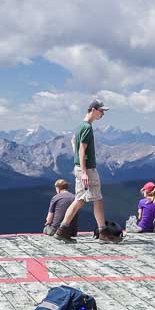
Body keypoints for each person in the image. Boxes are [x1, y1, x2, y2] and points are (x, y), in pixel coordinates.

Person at [54, 99, 110, 243]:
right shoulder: (87, 127)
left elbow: (74, 141)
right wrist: (84, 171)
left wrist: (79, 165)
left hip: (79, 168)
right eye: (101, 111)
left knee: (79, 199)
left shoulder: (80, 126)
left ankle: (62, 229)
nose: (103, 114)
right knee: (97, 199)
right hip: (87, 169)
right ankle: (103, 231)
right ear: (93, 109)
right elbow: (81, 148)